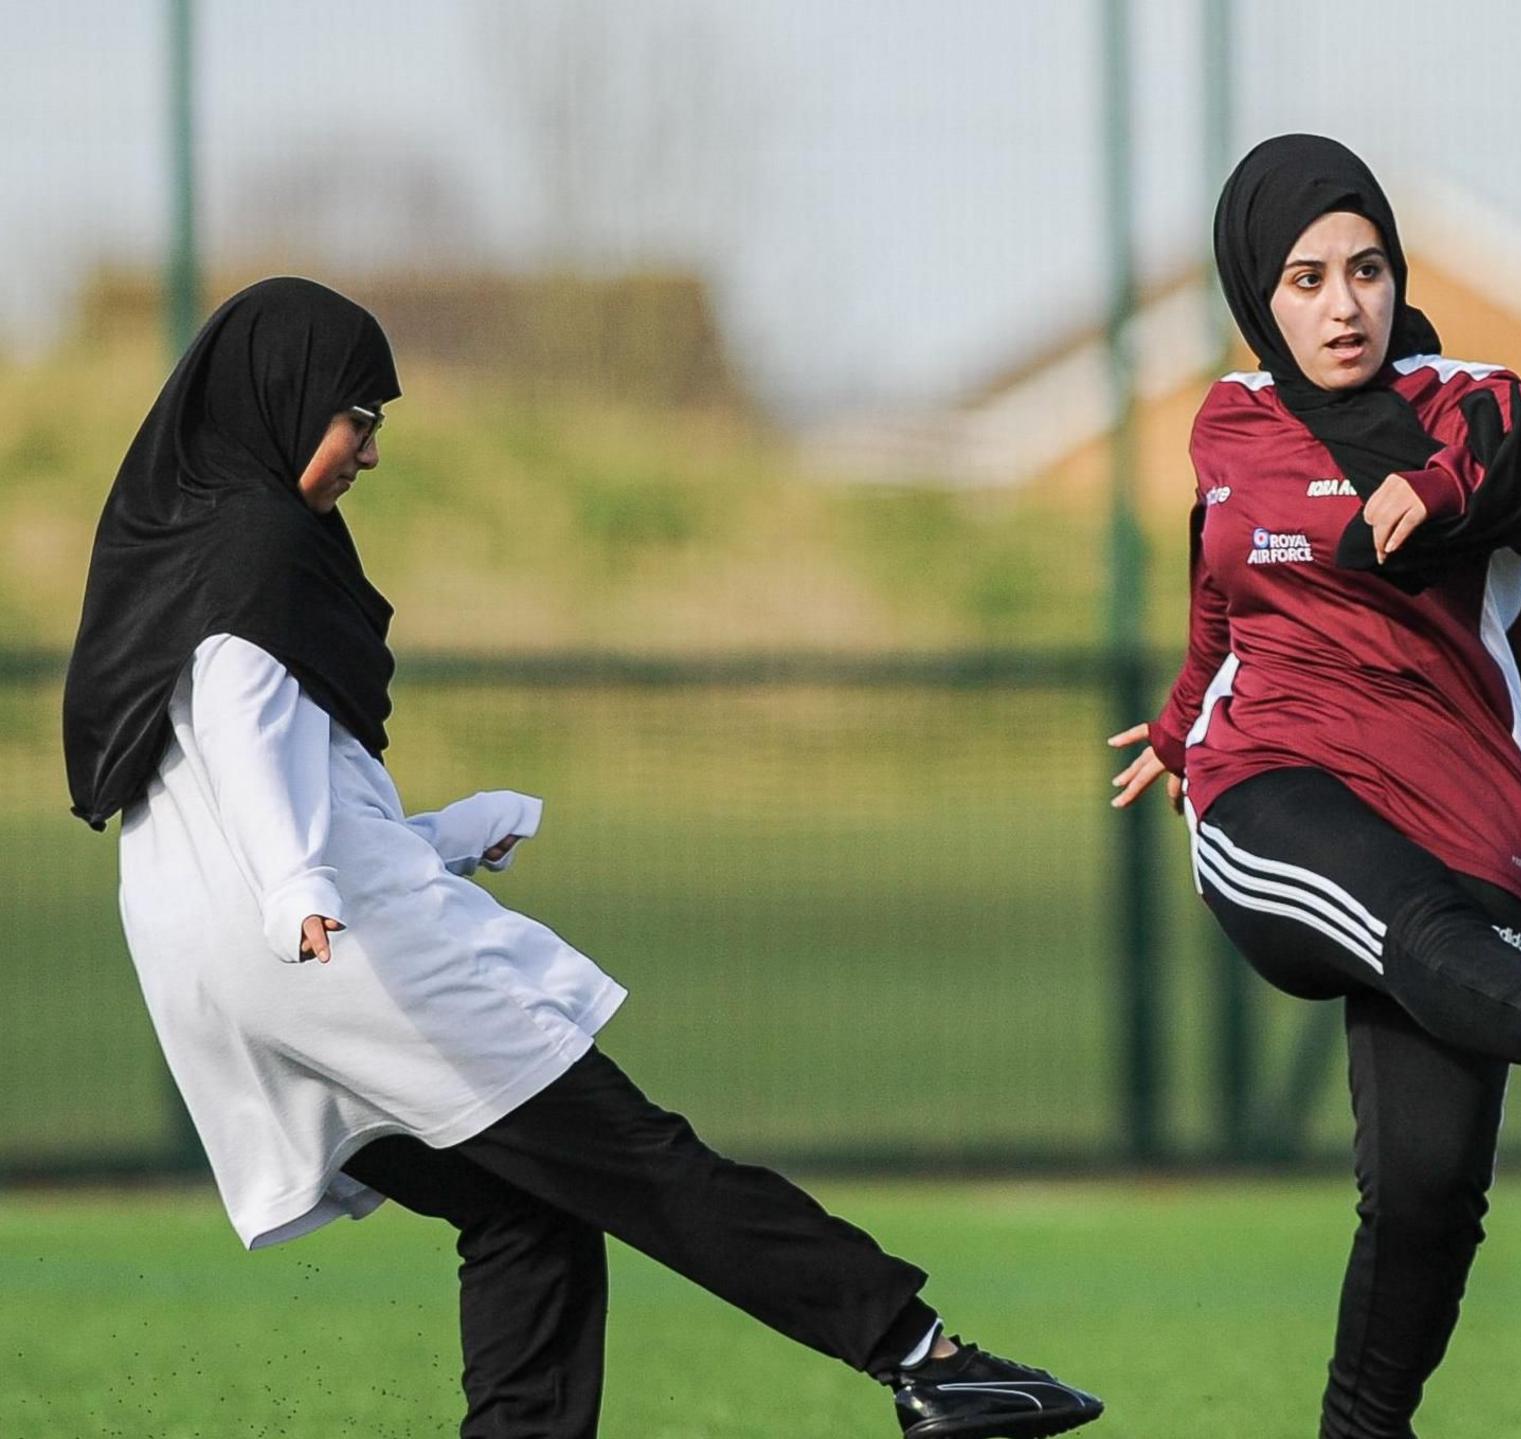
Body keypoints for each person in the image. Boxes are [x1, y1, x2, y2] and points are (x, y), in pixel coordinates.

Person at [63, 277, 1104, 1439]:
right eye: (356, 416)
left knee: (526, 1210)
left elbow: (253, 783)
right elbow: (246, 722)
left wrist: (442, 835)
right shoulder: (261, 549)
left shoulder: (192, 542)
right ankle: (927, 1357)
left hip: (227, 964)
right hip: (326, 949)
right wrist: (299, 885)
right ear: (282, 398)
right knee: (638, 1157)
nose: (368, 449)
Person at [1106, 134, 1521, 1439]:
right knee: (1405, 921)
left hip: (1469, 819)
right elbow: (1217, 589)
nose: (1342, 303)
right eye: (1305, 278)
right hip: (1273, 784)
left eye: (1365, 269)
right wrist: (1188, 722)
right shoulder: (1225, 421)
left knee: (1424, 1192)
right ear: (1259, 290)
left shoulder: (1472, 403)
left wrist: (1453, 480)